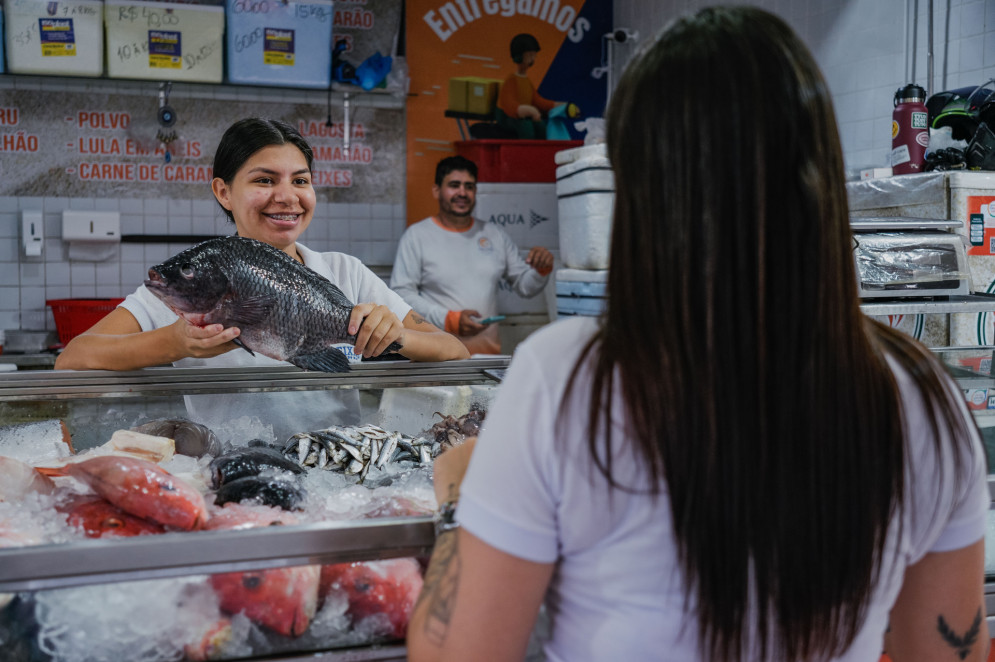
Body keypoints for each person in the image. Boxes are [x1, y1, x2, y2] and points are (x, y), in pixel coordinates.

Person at [408, 8, 989, 662]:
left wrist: (459, 497)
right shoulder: (919, 399)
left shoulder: (566, 379)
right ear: (819, 179)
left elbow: (458, 653)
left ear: (640, 191)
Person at [56, 118, 468, 436]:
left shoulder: (345, 272)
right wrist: (175, 342)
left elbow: (453, 350)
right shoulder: (188, 286)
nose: (287, 196)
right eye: (264, 180)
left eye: (300, 180)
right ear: (223, 192)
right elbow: (72, 359)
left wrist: (395, 335)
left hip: (334, 469)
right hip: (230, 474)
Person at [390, 155, 554, 355]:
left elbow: (525, 286)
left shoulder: (494, 234)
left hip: (486, 358)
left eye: (469, 186)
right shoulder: (417, 236)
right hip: (436, 358)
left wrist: (541, 269)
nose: (462, 192)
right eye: (454, 185)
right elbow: (401, 294)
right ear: (436, 190)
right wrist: (448, 319)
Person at [495, 33, 576, 139]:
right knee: (526, 127)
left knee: (541, 127)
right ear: (519, 56)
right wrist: (531, 111)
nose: (533, 58)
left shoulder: (526, 81)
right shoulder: (511, 80)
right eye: (529, 55)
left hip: (523, 116)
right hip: (508, 117)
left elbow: (537, 101)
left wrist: (559, 105)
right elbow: (510, 106)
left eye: (534, 55)